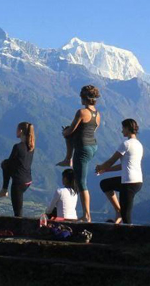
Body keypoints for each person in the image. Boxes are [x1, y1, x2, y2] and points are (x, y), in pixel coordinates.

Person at [57, 85, 101, 222]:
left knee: (81, 182)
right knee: (81, 180)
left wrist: (65, 132)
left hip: (83, 149)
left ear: (84, 97)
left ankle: (87, 215)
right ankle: (68, 159)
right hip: (93, 146)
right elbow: (91, 130)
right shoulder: (97, 114)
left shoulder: (81, 112)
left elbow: (70, 131)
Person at [95, 119, 144, 224]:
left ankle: (129, 237)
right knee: (105, 184)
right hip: (137, 181)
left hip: (128, 183)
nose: (122, 131)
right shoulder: (139, 145)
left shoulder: (126, 144)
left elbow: (111, 161)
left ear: (127, 128)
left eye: (123, 128)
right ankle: (118, 211)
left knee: (126, 215)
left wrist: (100, 167)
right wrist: (106, 170)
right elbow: (123, 165)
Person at [0, 122, 35, 217]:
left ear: (20, 131)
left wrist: (3, 163)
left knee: (18, 212)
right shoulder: (31, 147)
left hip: (19, 182)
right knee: (6, 164)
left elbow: (9, 163)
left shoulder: (17, 147)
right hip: (28, 180)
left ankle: (4, 189)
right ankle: (4, 190)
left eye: (16, 129)